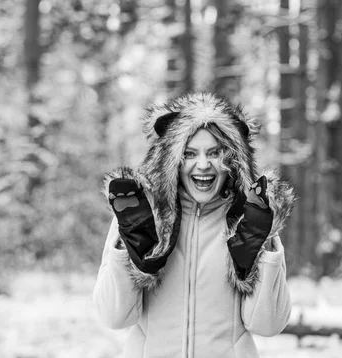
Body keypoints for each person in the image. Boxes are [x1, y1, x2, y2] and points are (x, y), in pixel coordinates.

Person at [93, 92, 295, 358]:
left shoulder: (252, 217)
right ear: (171, 160)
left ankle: (244, 256)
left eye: (215, 153)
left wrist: (261, 246)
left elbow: (267, 325)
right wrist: (129, 246)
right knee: (143, 246)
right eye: (189, 154)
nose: (203, 165)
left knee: (248, 246)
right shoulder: (139, 211)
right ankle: (145, 254)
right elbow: (115, 318)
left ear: (232, 159)